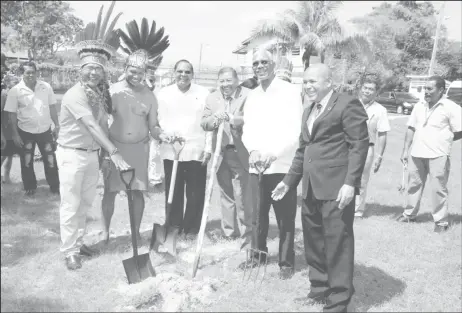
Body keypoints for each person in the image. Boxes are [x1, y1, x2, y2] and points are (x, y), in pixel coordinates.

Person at [272, 63, 369, 311]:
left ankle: (339, 299)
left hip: (337, 189)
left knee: (338, 243)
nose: (308, 86)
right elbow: (303, 150)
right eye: (305, 82)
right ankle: (319, 290)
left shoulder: (347, 104)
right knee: (314, 242)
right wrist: (287, 182)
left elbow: (359, 145)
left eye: (313, 81)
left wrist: (350, 183)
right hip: (311, 189)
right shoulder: (309, 110)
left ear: (329, 83)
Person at [56, 11, 130, 270]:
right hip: (71, 155)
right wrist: (114, 152)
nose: (93, 74)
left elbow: (101, 127)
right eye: (89, 69)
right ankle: (69, 251)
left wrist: (104, 155)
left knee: (85, 204)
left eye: (98, 70)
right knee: (71, 204)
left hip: (89, 156)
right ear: (80, 70)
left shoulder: (99, 95)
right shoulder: (75, 95)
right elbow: (89, 124)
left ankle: (77, 243)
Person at [240, 49, 303, 280]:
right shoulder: (253, 95)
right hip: (256, 166)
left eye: (264, 62)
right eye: (255, 63)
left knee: (285, 218)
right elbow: (247, 130)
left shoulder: (290, 92)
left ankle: (286, 262)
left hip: (282, 166)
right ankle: (258, 255)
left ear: (273, 64)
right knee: (258, 216)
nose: (259, 66)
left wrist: (274, 154)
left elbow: (296, 131)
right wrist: (254, 150)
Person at [101, 50, 160, 244]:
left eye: (140, 72)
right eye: (132, 71)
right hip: (115, 149)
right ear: (125, 69)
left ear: (145, 73)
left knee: (137, 192)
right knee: (110, 191)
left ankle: (135, 233)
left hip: (139, 149)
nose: (136, 76)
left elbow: (153, 126)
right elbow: (101, 119)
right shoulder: (113, 91)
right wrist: (106, 152)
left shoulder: (150, 96)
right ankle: (105, 232)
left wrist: (164, 135)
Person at [154, 59, 212, 240]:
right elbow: (157, 121)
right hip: (172, 150)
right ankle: (173, 226)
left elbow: (209, 122)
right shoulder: (163, 94)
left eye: (187, 72)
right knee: (174, 191)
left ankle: (192, 228)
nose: (183, 75)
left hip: (196, 150)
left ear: (192, 74)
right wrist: (164, 136)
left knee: (195, 192)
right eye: (180, 71)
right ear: (174, 72)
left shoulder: (203, 93)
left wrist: (208, 147)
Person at [398, 75, 462, 233]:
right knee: (414, 185)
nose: (425, 91)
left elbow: (459, 131)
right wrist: (406, 149)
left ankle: (441, 221)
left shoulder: (451, 107)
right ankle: (409, 214)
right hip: (416, 153)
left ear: (440, 90)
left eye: (429, 88)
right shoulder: (420, 105)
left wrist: (444, 140)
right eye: (425, 88)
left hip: (438, 155)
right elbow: (411, 127)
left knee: (438, 188)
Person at [201, 67, 252, 246]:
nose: (225, 85)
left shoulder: (247, 95)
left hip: (240, 151)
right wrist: (215, 119)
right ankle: (230, 232)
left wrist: (231, 118)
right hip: (220, 152)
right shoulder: (212, 97)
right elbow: (205, 122)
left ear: (237, 80)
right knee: (225, 193)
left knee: (242, 192)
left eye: (229, 80)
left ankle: (248, 231)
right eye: (222, 81)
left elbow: (251, 118)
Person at [4, 61, 60, 196]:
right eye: (27, 72)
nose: (31, 75)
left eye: (33, 72)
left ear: (37, 73)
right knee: (27, 161)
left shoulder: (46, 87)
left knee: (50, 159)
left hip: (45, 131)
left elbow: (52, 106)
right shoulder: (15, 91)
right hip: (25, 132)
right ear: (21, 74)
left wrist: (57, 125)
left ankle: (54, 186)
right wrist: (15, 135)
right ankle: (30, 186)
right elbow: (11, 114)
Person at [355, 75, 391, 218]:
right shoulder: (350, 104)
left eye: (371, 89)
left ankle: (357, 210)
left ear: (376, 93)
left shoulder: (380, 110)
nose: (367, 91)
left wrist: (379, 156)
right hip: (346, 146)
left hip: (366, 148)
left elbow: (382, 134)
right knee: (342, 176)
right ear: (360, 88)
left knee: (362, 180)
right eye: (365, 88)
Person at [1, 74, 20, 183]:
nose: (17, 85)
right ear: (8, 83)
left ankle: (6, 176)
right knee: (4, 154)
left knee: (10, 154)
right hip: (5, 128)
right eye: (15, 82)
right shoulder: (3, 94)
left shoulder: (15, 94)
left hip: (14, 128)